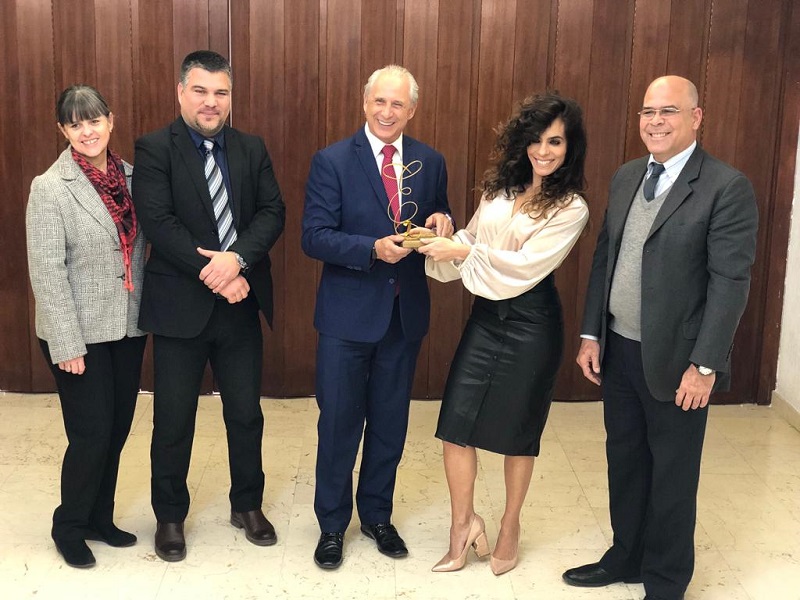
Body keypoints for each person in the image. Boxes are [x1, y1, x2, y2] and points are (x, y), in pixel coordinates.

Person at [562, 76, 758, 600]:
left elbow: (730, 284)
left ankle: (667, 581)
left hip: (679, 361)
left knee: (672, 475)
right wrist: (591, 333)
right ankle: (626, 555)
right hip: (619, 349)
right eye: (648, 112)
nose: (655, 122)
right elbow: (605, 258)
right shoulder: (627, 175)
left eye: (668, 111)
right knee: (625, 460)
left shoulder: (725, 187)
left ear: (696, 117)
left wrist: (705, 365)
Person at [419, 93, 589, 575]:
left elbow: (525, 265)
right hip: (486, 319)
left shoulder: (572, 207)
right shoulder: (500, 189)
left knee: (519, 435)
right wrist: (442, 237)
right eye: (535, 139)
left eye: (555, 141)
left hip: (533, 324)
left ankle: (510, 525)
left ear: (570, 147)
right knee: (455, 425)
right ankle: (463, 524)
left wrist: (462, 253)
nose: (543, 150)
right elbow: (472, 239)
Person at [132, 50, 285, 562]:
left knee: (245, 414)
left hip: (240, 307)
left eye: (221, 92)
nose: (211, 102)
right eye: (200, 91)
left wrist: (236, 260)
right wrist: (218, 275)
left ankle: (248, 505)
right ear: (181, 93)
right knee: (173, 420)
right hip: (181, 309)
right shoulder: (155, 148)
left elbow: (272, 212)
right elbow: (159, 223)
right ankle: (169, 517)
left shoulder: (251, 148)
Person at [301, 64, 453, 570]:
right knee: (339, 425)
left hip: (403, 317)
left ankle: (377, 517)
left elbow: (439, 214)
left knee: (390, 425)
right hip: (346, 320)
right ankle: (331, 525)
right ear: (365, 103)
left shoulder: (431, 161)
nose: (387, 112)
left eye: (398, 104)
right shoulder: (332, 160)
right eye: (379, 102)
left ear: (413, 109)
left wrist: (443, 220)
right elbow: (314, 236)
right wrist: (371, 249)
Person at [26, 85, 147, 568]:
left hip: (127, 325)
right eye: (76, 124)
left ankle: (100, 518)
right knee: (91, 433)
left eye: (94, 120)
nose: (87, 131)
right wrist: (67, 343)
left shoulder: (134, 178)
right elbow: (46, 271)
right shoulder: (50, 187)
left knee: (116, 430)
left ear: (110, 121)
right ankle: (69, 526)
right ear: (63, 130)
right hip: (77, 332)